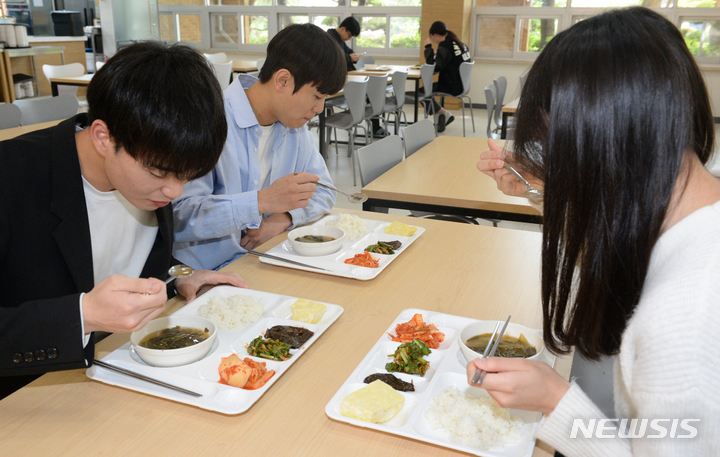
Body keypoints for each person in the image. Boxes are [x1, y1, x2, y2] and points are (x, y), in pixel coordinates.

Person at [472, 7, 720, 456]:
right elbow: (620, 231)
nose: (554, 162)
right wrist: (544, 188)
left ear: (604, 142)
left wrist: (555, 402)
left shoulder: (682, 319)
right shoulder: (699, 201)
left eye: (560, 150)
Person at [0, 41, 247, 398]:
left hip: (116, 376)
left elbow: (118, 259)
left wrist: (181, 276)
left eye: (187, 176)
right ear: (103, 137)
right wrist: (82, 315)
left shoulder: (149, 173)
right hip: (31, 399)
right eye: (161, 172)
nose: (175, 192)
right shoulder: (12, 177)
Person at [172, 24, 346, 271]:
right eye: (317, 97)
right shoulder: (208, 121)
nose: (319, 109)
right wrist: (260, 202)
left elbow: (324, 191)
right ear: (283, 80)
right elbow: (179, 218)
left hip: (264, 261)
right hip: (207, 274)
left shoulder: (295, 128)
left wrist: (282, 218)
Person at [423, 21, 471, 132]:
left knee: (421, 92)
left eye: (432, 38)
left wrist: (428, 48)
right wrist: (438, 55)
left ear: (435, 35)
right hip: (462, 85)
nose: (434, 41)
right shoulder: (458, 42)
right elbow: (452, 59)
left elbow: (434, 67)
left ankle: (444, 114)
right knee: (426, 90)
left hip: (451, 85)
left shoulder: (445, 45)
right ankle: (441, 118)